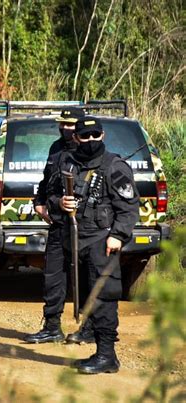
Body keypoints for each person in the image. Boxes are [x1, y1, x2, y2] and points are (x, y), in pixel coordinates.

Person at [46, 116, 139, 374]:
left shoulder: (113, 166)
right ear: (76, 138)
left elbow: (129, 207)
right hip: (76, 241)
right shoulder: (68, 164)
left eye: (94, 136)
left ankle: (107, 355)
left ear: (102, 136)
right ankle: (97, 349)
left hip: (102, 241)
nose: (90, 141)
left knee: (104, 296)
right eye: (84, 136)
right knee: (86, 296)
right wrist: (60, 204)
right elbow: (52, 195)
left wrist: (118, 235)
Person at [24, 107, 94, 344]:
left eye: (71, 125)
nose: (65, 128)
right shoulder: (56, 148)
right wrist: (41, 202)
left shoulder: (89, 152)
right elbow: (48, 180)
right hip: (58, 223)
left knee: (85, 276)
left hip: (84, 226)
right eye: (62, 124)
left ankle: (89, 328)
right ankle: (52, 326)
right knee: (53, 275)